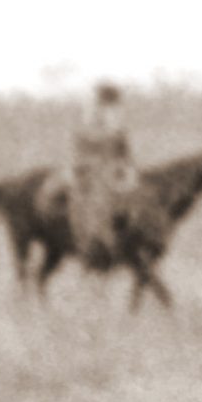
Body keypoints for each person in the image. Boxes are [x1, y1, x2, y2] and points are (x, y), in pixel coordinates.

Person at [65, 81, 138, 265]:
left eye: (112, 104)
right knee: (96, 197)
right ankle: (94, 242)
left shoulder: (116, 122)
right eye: (106, 103)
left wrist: (127, 166)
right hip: (91, 168)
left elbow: (124, 149)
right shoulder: (89, 118)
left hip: (113, 168)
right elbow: (82, 145)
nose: (110, 108)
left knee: (135, 194)